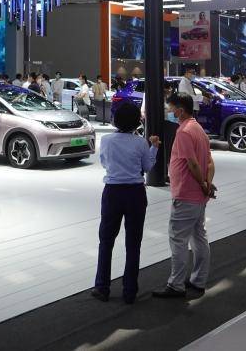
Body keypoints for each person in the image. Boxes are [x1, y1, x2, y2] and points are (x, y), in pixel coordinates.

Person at [91, 102, 161, 304]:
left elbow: (105, 163)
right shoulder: (140, 143)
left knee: (106, 241)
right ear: (136, 122)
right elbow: (147, 167)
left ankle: (102, 287)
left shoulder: (106, 140)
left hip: (112, 192)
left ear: (115, 120)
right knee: (133, 243)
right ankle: (129, 291)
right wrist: (154, 147)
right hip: (135, 194)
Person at [153, 93, 213, 299]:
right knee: (199, 237)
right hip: (198, 196)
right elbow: (209, 162)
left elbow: (193, 163)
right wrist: (207, 184)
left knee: (178, 239)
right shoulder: (198, 129)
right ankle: (198, 280)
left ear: (180, 110)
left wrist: (203, 184)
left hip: (187, 194)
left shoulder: (185, 132)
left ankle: (176, 284)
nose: (169, 112)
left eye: (171, 108)